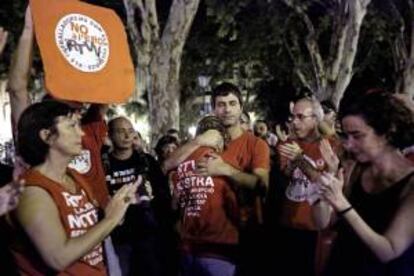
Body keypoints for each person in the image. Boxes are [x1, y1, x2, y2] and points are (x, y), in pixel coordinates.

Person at [8, 100, 137, 275]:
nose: (81, 133)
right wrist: (110, 220)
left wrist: (115, 209)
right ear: (46, 136)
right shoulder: (31, 190)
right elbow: (58, 257)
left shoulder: (74, 177)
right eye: (72, 126)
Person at [164, 82, 270, 275]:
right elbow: (166, 166)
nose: (227, 109)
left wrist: (224, 169)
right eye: (221, 104)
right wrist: (198, 141)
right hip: (192, 244)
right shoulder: (199, 144)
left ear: (241, 107)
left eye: (232, 103)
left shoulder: (256, 144)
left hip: (238, 241)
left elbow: (262, 187)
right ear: (214, 109)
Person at [313, 91, 414, 275]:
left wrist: (342, 204)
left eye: (357, 136)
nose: (348, 144)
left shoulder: (410, 184)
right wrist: (327, 182)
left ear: (387, 132)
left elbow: (388, 250)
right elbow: (322, 223)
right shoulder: (354, 169)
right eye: (346, 136)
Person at [276, 97, 340, 276]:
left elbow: (326, 183)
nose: (295, 122)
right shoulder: (288, 145)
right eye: (292, 117)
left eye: (300, 117)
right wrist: (291, 163)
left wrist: (300, 159)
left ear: (316, 119)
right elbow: (285, 175)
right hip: (288, 225)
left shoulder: (332, 146)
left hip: (317, 229)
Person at [104, 116, 176, 276]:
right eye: (121, 131)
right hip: (119, 237)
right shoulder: (104, 165)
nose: (127, 136)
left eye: (130, 131)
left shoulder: (147, 161)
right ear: (110, 135)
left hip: (148, 236)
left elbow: (163, 196)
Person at [172, 115, 239, 276]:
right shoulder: (225, 162)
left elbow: (174, 206)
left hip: (188, 250)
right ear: (220, 137)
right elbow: (238, 204)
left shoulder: (180, 166)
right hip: (219, 250)